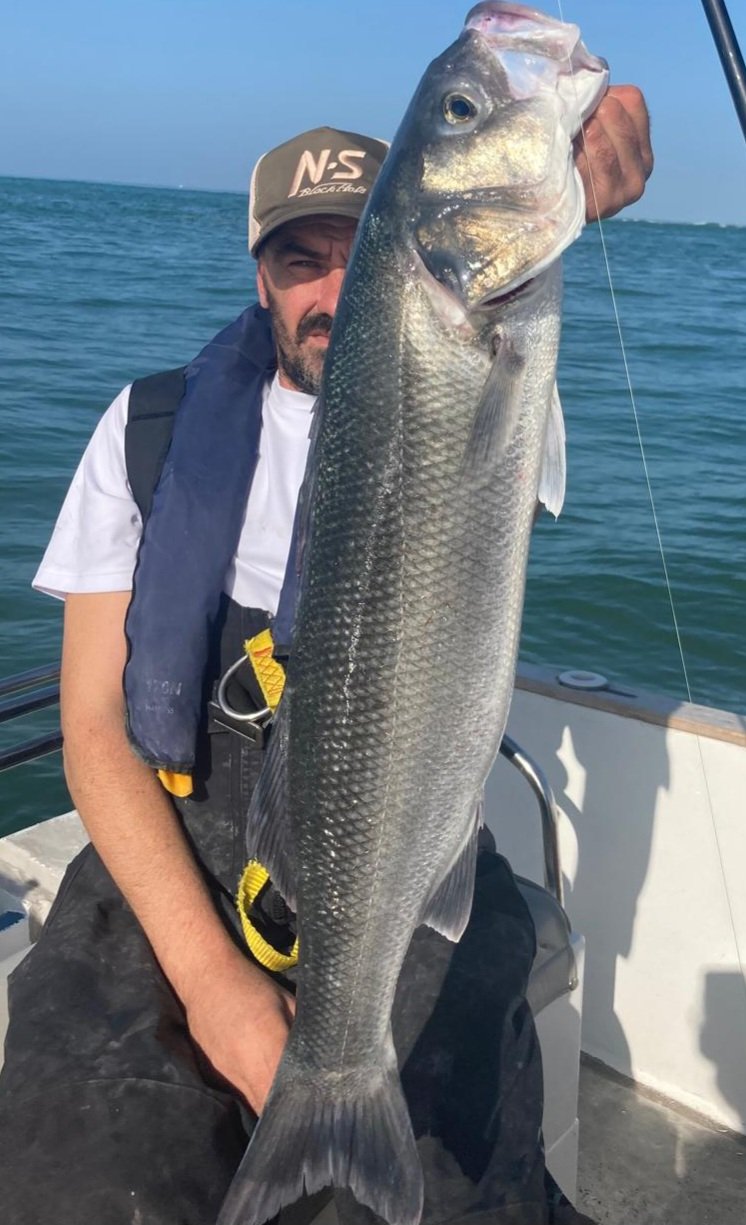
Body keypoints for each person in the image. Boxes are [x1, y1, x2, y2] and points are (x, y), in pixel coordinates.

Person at [0, 85, 653, 1225]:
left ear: (412, 253)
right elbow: (93, 727)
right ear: (259, 275)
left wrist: (560, 201)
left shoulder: (468, 388)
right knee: (76, 1166)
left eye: (361, 251)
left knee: (458, 1175)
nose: (330, 290)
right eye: (298, 259)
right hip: (182, 838)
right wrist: (215, 990)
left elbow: (492, 314)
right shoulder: (146, 428)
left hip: (401, 826)